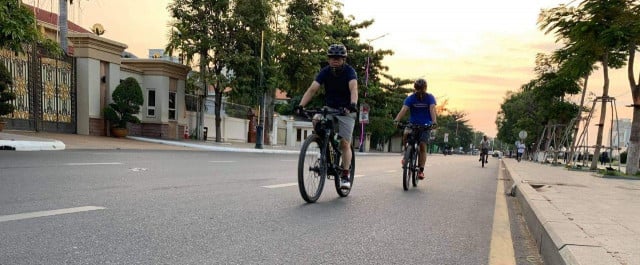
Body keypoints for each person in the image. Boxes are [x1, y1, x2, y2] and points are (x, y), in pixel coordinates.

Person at [295, 44, 358, 190]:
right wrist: (301, 105)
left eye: (338, 58)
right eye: (332, 58)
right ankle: (323, 146)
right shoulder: (325, 72)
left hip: (347, 111)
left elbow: (354, 88)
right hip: (330, 109)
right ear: (328, 59)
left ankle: (345, 175)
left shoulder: (350, 72)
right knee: (316, 119)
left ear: (343, 59)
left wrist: (352, 104)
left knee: (344, 143)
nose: (334, 60)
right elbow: (312, 89)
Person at [393, 78, 438, 180]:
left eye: (422, 89)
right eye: (418, 89)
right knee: (405, 133)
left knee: (422, 145)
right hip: (413, 124)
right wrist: (396, 120)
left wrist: (434, 122)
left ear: (425, 88)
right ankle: (406, 154)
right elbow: (404, 109)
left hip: (426, 125)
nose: (420, 91)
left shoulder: (430, 97)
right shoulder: (411, 98)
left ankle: (421, 171)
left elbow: (432, 109)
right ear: (415, 89)